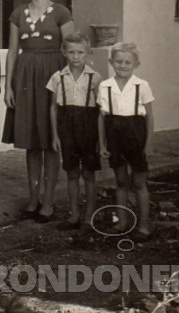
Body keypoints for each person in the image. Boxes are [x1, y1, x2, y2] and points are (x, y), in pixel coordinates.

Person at [2, 0, 74, 223]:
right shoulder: (18, 14)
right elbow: (12, 52)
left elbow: (71, 51)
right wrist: (8, 85)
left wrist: (67, 86)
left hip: (53, 76)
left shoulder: (62, 13)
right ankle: (33, 199)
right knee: (32, 141)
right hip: (25, 77)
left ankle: (49, 201)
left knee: (50, 141)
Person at [98, 42, 155, 240]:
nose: (122, 65)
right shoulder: (105, 86)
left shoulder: (142, 85)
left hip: (136, 134)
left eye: (127, 62)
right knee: (121, 180)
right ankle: (122, 222)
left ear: (136, 64)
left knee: (139, 182)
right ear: (111, 62)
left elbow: (149, 117)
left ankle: (144, 226)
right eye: (118, 61)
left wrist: (148, 143)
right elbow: (102, 116)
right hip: (114, 135)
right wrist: (102, 143)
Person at [47, 32, 101, 231]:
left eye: (80, 52)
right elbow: (53, 108)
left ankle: (89, 216)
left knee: (88, 174)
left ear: (87, 53)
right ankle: (74, 215)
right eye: (71, 52)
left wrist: (99, 140)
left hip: (88, 129)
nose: (76, 56)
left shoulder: (95, 78)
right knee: (71, 173)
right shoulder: (58, 77)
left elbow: (100, 111)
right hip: (66, 127)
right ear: (64, 52)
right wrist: (55, 135)